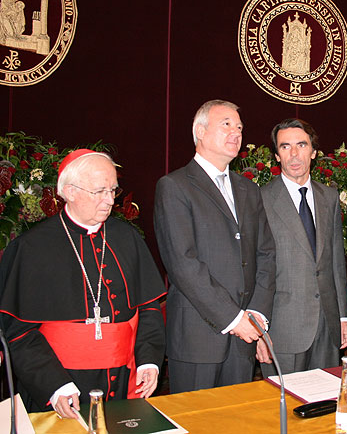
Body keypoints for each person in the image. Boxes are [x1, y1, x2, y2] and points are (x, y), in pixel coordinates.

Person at [0, 150, 166, 417]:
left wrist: (149, 362)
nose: (110, 200)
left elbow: (148, 310)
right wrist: (55, 387)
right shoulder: (32, 248)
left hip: (123, 383)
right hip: (62, 388)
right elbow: (19, 333)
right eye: (99, 191)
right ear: (70, 191)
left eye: (113, 190)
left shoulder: (128, 238)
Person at [154, 99, 275, 392]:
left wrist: (256, 314)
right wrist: (233, 319)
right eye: (226, 125)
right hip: (199, 336)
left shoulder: (248, 189)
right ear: (200, 131)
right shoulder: (175, 186)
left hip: (245, 334)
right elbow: (183, 263)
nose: (236, 133)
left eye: (239, 127)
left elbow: (267, 254)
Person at [259, 118, 347, 376]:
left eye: (301, 145)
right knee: (283, 408)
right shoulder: (260, 199)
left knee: (326, 403)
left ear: (313, 152)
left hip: (327, 325)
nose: (294, 154)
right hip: (282, 328)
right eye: (285, 147)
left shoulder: (328, 197)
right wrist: (259, 331)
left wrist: (343, 317)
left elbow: (335, 262)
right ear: (277, 155)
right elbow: (254, 269)